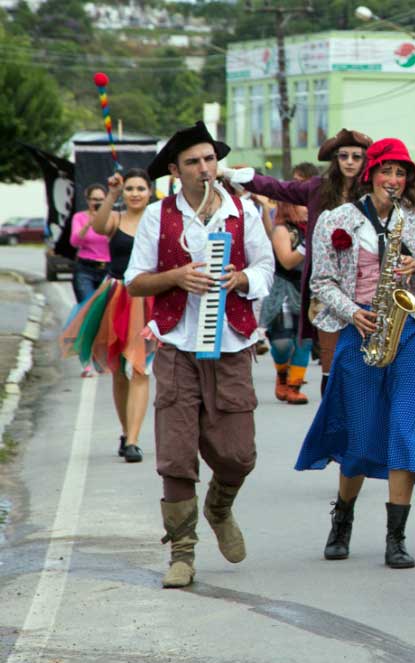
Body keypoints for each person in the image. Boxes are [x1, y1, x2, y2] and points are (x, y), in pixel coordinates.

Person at [125, 121, 274, 589]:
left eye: (210, 159)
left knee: (238, 454)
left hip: (230, 342)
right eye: (193, 162)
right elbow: (135, 281)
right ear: (175, 170)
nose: (204, 168)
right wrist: (177, 277)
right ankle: (182, 553)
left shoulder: (243, 210)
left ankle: (220, 506)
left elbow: (266, 267)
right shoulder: (157, 215)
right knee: (175, 452)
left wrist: (241, 280)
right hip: (176, 343)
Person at [295, 137, 415, 568]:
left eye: (401, 174)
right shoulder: (337, 219)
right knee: (359, 434)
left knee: (404, 431)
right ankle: (343, 518)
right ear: (370, 175)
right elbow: (321, 281)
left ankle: (395, 537)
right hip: (360, 328)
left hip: (411, 329)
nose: (394, 181)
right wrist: (352, 312)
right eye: (387, 172)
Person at [220, 129, 372, 395]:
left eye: (356, 157)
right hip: (326, 284)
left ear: (365, 161)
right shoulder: (317, 189)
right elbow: (277, 188)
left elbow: (408, 191)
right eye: (343, 156)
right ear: (335, 160)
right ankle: (331, 418)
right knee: (331, 359)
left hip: (365, 282)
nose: (349, 161)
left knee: (363, 357)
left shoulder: (373, 192)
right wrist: (233, 174)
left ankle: (362, 420)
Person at [61, 169, 155, 463]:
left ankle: (135, 441)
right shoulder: (115, 219)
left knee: (140, 368)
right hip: (117, 296)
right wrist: (111, 194)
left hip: (149, 297)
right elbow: (98, 227)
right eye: (130, 188)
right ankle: (126, 432)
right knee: (119, 368)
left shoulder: (157, 220)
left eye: (141, 188)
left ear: (150, 192)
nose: (136, 193)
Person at [260, 161, 318, 404]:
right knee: (283, 342)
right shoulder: (283, 230)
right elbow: (286, 260)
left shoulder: (316, 227)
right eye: (302, 204)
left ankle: (294, 386)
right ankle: (282, 376)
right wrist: (308, 244)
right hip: (284, 289)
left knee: (304, 340)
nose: (307, 208)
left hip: (309, 289)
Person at [70, 183, 112, 304]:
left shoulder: (112, 217)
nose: (97, 203)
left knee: (105, 309)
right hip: (86, 269)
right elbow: (74, 242)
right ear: (88, 200)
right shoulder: (79, 217)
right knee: (86, 307)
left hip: (107, 269)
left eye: (101, 200)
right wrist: (89, 224)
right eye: (94, 199)